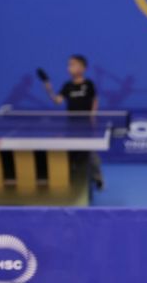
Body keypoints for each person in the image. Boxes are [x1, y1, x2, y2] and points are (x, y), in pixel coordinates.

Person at [38, 54, 103, 189]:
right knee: (72, 151)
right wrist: (48, 88)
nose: (69, 67)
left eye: (72, 64)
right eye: (69, 65)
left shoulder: (88, 84)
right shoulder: (67, 86)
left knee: (90, 152)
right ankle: (72, 176)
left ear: (82, 68)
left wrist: (93, 116)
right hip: (72, 125)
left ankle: (97, 177)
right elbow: (57, 101)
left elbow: (95, 100)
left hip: (86, 124)